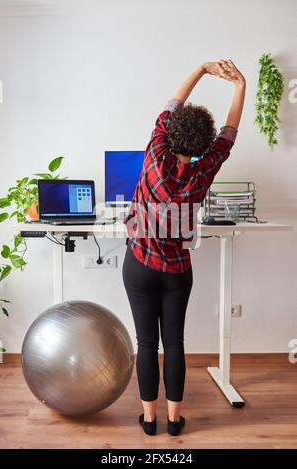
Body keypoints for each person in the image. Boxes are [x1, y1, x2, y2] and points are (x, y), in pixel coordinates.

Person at [122, 60, 246, 436]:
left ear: (170, 132)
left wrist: (202, 70)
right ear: (202, 144)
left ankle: (149, 419)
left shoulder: (155, 153)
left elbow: (170, 106)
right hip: (177, 271)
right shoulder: (204, 169)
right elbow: (229, 133)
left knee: (146, 344)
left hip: (139, 264)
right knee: (173, 342)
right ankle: (175, 422)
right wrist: (240, 84)